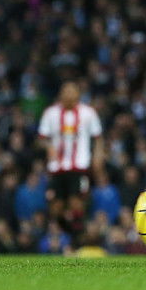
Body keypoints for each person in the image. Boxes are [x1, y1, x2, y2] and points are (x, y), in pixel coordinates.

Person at [38, 81, 104, 237]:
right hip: (57, 167)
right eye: (65, 91)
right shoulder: (50, 113)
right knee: (56, 205)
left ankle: (78, 238)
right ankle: (61, 236)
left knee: (77, 202)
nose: (68, 94)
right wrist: (48, 147)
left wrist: (98, 156)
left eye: (72, 91)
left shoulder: (88, 113)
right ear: (60, 94)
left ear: (78, 94)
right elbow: (41, 138)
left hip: (79, 166)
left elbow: (98, 138)